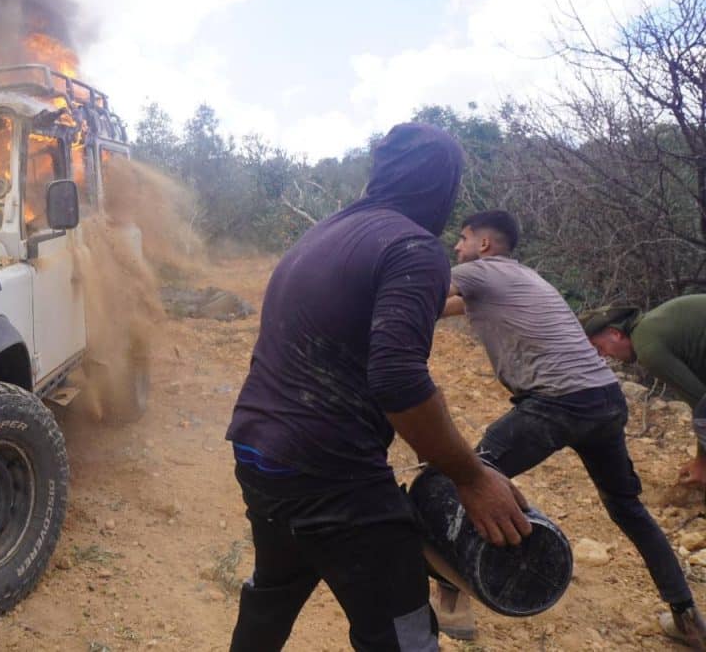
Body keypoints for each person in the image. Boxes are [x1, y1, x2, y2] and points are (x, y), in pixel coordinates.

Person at [226, 124, 530, 652]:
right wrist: (470, 476)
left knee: (273, 593)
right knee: (402, 634)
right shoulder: (413, 247)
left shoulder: (321, 234)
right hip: (332, 475)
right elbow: (397, 378)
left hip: (258, 454)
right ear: (443, 188)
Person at [439, 210, 705, 648]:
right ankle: (687, 616)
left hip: (556, 403)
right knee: (627, 509)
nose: (456, 247)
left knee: (466, 479)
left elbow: (418, 292)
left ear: (483, 245)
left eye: (462, 239)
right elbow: (438, 306)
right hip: (604, 399)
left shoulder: (478, 271)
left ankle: (451, 603)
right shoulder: (521, 278)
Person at [583, 296, 706, 487]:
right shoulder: (651, 328)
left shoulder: (647, 348)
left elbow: (701, 407)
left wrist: (701, 463)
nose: (604, 355)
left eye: (600, 347)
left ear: (615, 334)